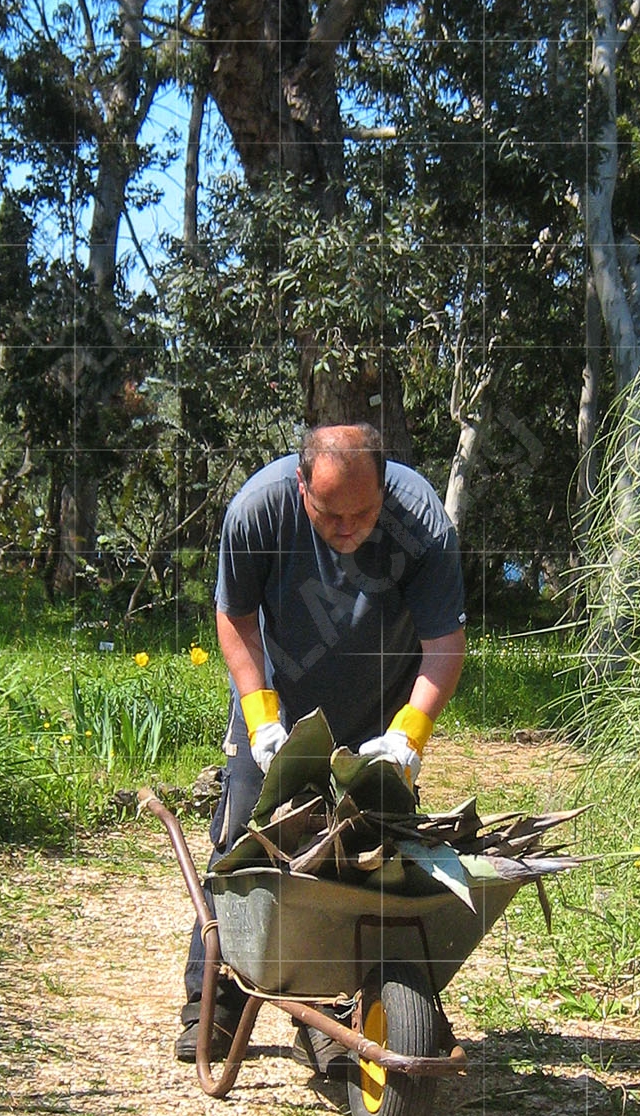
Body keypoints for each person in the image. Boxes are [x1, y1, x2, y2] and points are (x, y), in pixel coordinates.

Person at [177, 421, 466, 1063]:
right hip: (278, 701)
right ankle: (216, 1003)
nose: (348, 529)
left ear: (384, 487)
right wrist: (261, 719)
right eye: (330, 513)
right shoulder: (258, 509)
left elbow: (444, 647)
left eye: (363, 513)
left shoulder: (420, 522)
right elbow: (235, 619)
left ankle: (348, 1009)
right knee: (243, 844)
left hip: (378, 711)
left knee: (371, 859)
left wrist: (408, 737)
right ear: (302, 483)